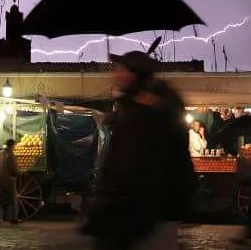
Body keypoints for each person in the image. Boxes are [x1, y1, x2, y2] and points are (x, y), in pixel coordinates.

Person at [81, 51, 195, 250]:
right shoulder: (137, 107)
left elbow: (132, 165)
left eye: (120, 69)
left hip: (148, 213)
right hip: (137, 212)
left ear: (133, 75)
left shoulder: (154, 109)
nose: (115, 74)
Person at [0, 139, 20, 224]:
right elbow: (13, 168)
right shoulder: (11, 154)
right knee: (13, 199)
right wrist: (19, 172)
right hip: (8, 179)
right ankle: (13, 218)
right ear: (12, 145)